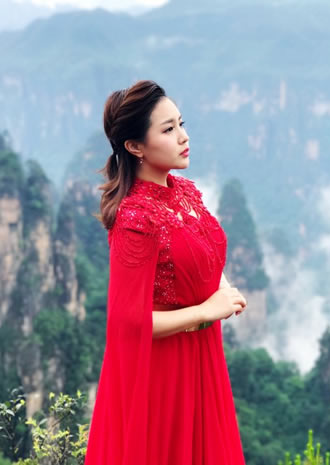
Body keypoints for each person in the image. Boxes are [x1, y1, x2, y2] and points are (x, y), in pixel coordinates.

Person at [84, 79, 248, 464]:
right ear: (135, 146)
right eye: (168, 129)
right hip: (165, 373)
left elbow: (201, 249)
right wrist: (207, 310)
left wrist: (222, 288)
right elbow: (127, 321)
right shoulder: (134, 219)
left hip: (202, 358)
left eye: (181, 124)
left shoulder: (184, 192)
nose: (183, 137)